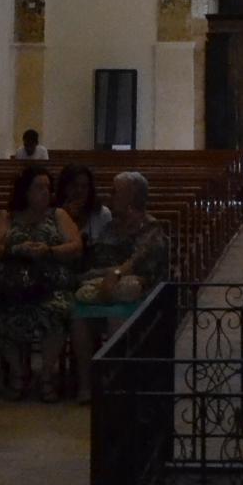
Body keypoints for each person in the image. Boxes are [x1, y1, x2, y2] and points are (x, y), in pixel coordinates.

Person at [68, 169, 172, 403]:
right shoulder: (110, 227)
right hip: (105, 290)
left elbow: (138, 262)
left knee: (116, 318)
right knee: (78, 317)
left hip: (141, 297)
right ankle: (87, 385)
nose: (109, 196)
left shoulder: (151, 228)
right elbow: (96, 260)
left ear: (132, 197)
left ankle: (115, 385)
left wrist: (113, 274)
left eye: (116, 192)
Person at [0, 163, 81, 399]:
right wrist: (16, 249)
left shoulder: (58, 215)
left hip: (51, 284)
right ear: (25, 191)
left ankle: (47, 374)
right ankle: (19, 372)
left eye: (48, 187)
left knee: (56, 310)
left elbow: (76, 247)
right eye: (39, 187)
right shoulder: (8, 216)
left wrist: (49, 250)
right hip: (13, 285)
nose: (45, 192)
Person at [54, 161, 110, 255]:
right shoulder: (53, 214)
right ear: (64, 187)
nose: (79, 190)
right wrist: (66, 217)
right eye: (74, 185)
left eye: (84, 186)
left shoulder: (102, 213)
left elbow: (108, 250)